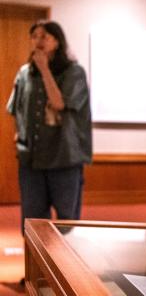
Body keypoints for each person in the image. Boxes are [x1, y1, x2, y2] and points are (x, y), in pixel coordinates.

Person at [6, 20, 92, 232]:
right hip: (31, 158)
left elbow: (59, 103)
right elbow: (14, 108)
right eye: (35, 36)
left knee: (66, 221)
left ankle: (64, 265)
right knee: (33, 222)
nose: (39, 41)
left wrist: (45, 69)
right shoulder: (25, 73)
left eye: (45, 36)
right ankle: (37, 265)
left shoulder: (74, 72)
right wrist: (19, 132)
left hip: (64, 156)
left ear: (57, 41)